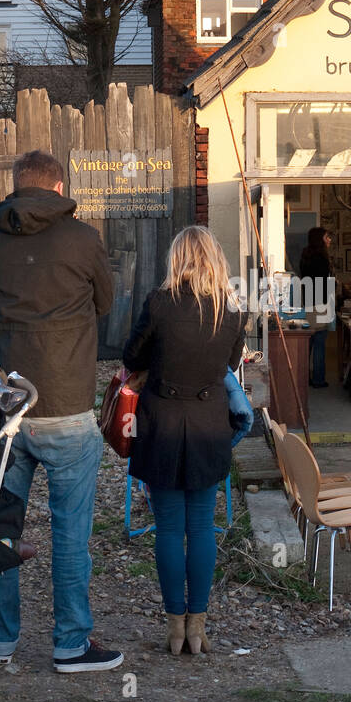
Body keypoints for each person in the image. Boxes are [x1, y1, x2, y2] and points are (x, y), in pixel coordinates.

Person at [0, 149, 122, 673]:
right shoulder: (83, 239)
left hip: (8, 407)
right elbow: (106, 304)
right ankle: (70, 643)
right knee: (71, 533)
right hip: (67, 404)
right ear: (60, 188)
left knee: (1, 529)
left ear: (17, 186)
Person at [123, 226, 247, 656]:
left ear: (177, 258)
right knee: (201, 527)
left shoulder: (159, 303)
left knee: (169, 528)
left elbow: (131, 357)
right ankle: (199, 626)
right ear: (215, 258)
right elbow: (229, 365)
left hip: (161, 423)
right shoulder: (231, 310)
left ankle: (175, 628)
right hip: (209, 424)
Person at [298, 226, 333, 388]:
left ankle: (304, 378)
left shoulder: (306, 255)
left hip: (308, 301)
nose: (329, 240)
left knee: (308, 343)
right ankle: (318, 379)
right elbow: (323, 283)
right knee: (319, 342)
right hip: (320, 303)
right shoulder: (322, 258)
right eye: (327, 237)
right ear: (320, 239)